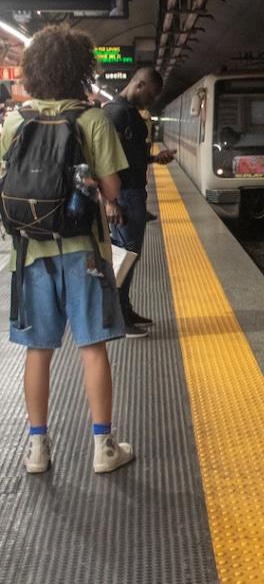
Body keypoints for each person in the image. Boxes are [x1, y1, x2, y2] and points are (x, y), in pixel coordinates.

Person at [0, 25, 135, 473]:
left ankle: (38, 449)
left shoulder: (17, 120)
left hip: (31, 251)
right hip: (85, 250)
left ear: (34, 70)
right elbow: (113, 187)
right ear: (81, 69)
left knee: (37, 350)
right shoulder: (92, 119)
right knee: (92, 347)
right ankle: (104, 448)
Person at [102, 68, 175, 338]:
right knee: (124, 258)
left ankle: (126, 309)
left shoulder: (128, 113)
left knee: (130, 257)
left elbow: (127, 157)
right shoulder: (116, 113)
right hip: (122, 196)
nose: (152, 100)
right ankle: (119, 318)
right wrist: (110, 202)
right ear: (139, 84)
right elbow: (104, 159)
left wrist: (156, 159)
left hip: (133, 194)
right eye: (151, 94)